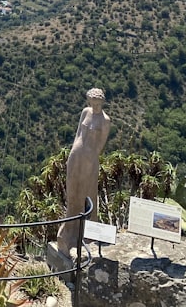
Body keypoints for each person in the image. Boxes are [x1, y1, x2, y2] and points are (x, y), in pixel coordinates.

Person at [56, 87, 110, 255]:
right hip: (77, 154)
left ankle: (86, 230)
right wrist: (74, 152)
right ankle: (69, 229)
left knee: (86, 193)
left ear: (101, 102)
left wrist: (91, 158)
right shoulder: (85, 112)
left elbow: (101, 144)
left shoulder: (105, 120)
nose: (93, 106)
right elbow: (78, 134)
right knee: (73, 191)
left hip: (90, 159)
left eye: (96, 103)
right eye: (91, 103)